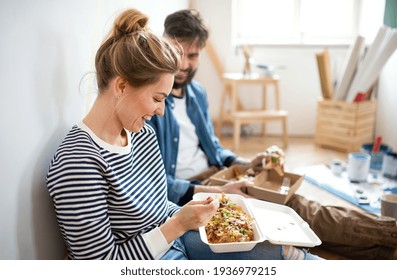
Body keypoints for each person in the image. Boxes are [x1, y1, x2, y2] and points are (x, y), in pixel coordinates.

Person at [46, 8, 321, 260]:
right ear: (121, 86)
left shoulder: (141, 135)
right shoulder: (78, 163)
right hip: (156, 254)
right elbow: (99, 264)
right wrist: (179, 223)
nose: (162, 111)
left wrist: (210, 206)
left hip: (177, 240)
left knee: (282, 252)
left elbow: (157, 207)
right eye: (157, 98)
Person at [147, 9, 397, 260]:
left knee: (297, 206)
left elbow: (213, 147)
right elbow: (151, 182)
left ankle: (388, 241)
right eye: (177, 52)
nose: (183, 64)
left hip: (219, 176)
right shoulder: (152, 101)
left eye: (192, 55)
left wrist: (244, 163)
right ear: (163, 42)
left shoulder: (196, 93)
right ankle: (389, 238)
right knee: (293, 214)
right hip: (191, 190)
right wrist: (211, 192)